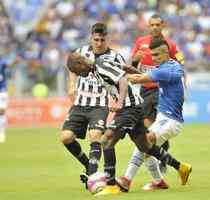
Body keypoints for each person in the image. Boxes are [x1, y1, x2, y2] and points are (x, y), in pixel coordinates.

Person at [67, 40, 192, 196]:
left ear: (80, 64)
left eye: (78, 72)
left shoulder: (100, 66)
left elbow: (122, 80)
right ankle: (181, 167)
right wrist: (135, 71)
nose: (80, 75)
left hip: (129, 108)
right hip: (135, 107)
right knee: (145, 146)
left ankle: (111, 185)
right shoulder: (101, 62)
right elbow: (123, 68)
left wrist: (119, 103)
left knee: (106, 140)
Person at [121, 13, 185, 190]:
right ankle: (160, 179)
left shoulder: (167, 60)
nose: (153, 58)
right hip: (152, 97)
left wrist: (121, 75)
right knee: (145, 141)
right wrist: (132, 64)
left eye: (156, 55)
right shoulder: (147, 48)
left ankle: (126, 180)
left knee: (146, 140)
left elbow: (140, 77)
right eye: (152, 24)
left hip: (167, 111)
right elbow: (137, 68)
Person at [60, 22, 126, 189]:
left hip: (99, 104)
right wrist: (72, 84)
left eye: (102, 40)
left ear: (107, 39)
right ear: (91, 37)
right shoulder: (82, 52)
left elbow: (123, 79)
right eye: (95, 39)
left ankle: (92, 176)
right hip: (80, 103)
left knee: (95, 135)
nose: (98, 43)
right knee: (66, 137)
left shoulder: (116, 57)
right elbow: (71, 66)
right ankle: (89, 166)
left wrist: (119, 100)